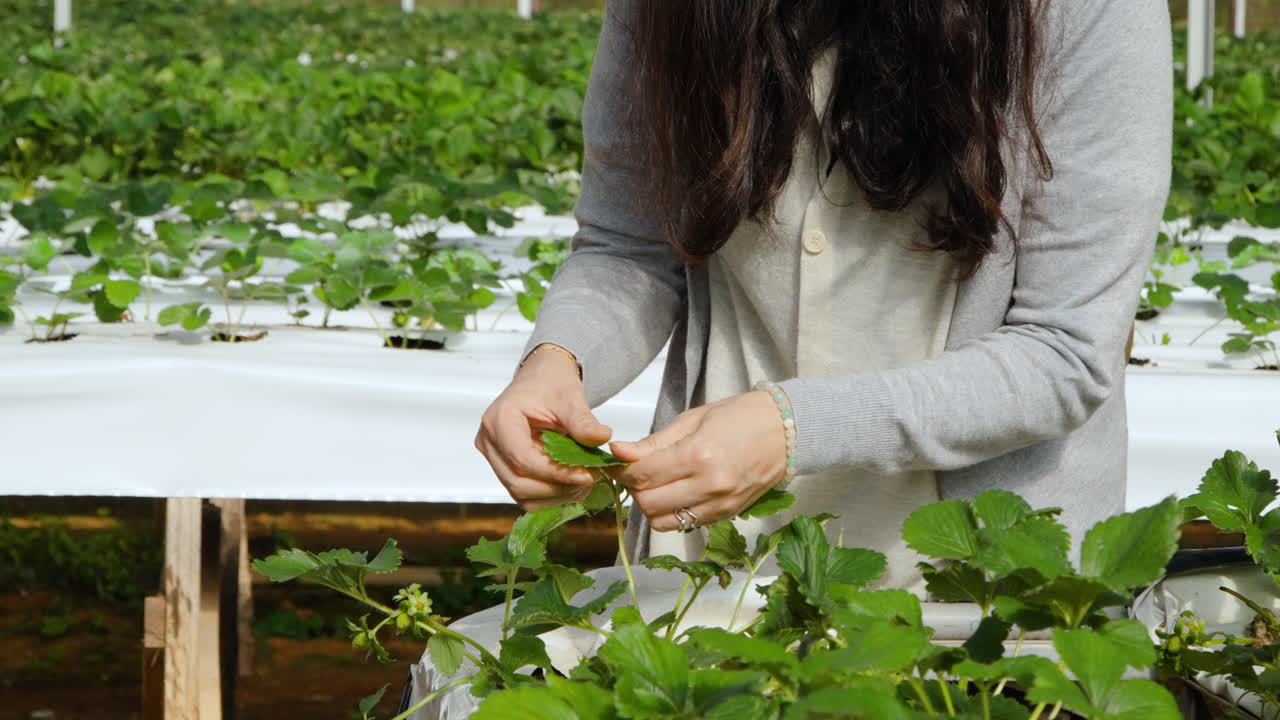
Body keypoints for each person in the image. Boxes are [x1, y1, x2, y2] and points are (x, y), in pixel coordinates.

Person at [474, 0, 1172, 594]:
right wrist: (557, 361)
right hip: (716, 568)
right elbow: (628, 245)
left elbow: (1064, 351)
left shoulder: (1081, 10)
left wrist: (793, 427)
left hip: (975, 591)